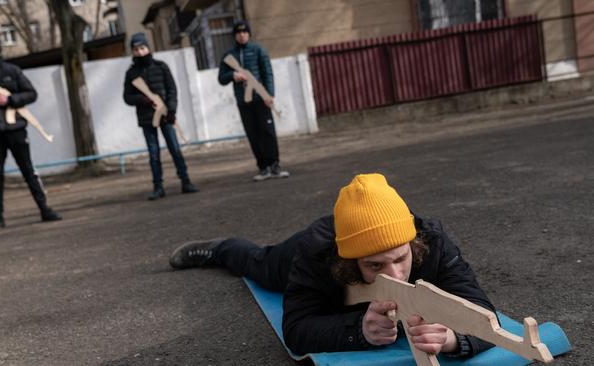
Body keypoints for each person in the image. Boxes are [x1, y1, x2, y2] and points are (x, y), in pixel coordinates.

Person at [169, 173, 496, 357]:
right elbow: (296, 331)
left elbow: (483, 312)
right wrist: (359, 331)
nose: (396, 276)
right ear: (351, 263)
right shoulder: (316, 256)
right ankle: (221, 249)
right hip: (316, 244)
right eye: (376, 266)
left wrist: (454, 338)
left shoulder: (434, 242)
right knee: (262, 265)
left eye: (400, 259)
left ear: (414, 245)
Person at [0, 33, 62, 233]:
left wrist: (9, 100)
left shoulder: (12, 70)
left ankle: (45, 209)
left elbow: (31, 93)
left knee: (29, 171)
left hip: (16, 129)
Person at [123, 33, 198, 200]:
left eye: (142, 48)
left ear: (148, 48)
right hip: (146, 118)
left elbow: (172, 90)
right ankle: (158, 187)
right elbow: (127, 97)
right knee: (154, 153)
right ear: (133, 52)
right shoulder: (131, 74)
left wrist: (171, 111)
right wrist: (143, 99)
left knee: (175, 149)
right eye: (136, 49)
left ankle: (186, 181)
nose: (140, 52)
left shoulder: (161, 66)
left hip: (165, 116)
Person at [218, 20, 289, 182]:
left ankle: (275, 165)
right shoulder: (229, 56)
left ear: (248, 34)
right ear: (234, 35)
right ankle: (263, 167)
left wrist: (269, 94)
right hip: (243, 101)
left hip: (260, 97)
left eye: (244, 32)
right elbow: (221, 78)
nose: (242, 35)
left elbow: (267, 73)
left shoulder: (258, 50)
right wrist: (233, 76)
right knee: (253, 134)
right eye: (238, 33)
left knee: (267, 131)